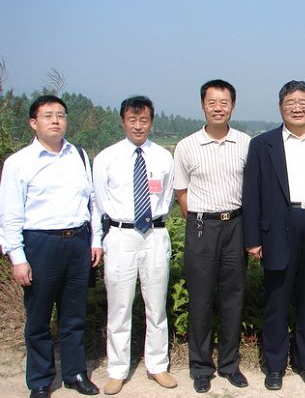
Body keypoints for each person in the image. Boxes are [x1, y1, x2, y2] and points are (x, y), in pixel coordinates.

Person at [242, 80, 305, 391]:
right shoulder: (263, 144)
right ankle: (275, 366)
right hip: (277, 229)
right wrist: (252, 238)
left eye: (303, 102)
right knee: (277, 300)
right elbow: (251, 194)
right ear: (280, 107)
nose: (297, 108)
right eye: (290, 103)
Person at [0, 95, 101, 398]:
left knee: (74, 315)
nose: (56, 120)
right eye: (48, 115)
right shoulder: (19, 163)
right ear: (33, 123)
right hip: (41, 244)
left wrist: (95, 240)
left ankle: (75, 373)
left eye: (61, 114)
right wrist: (18, 257)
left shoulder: (78, 155)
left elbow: (92, 202)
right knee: (39, 318)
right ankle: (40, 380)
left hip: (78, 242)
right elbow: (10, 214)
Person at [92, 96, 176, 395]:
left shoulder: (163, 157)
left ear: (151, 122)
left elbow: (167, 196)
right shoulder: (106, 158)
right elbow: (98, 202)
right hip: (120, 235)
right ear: (123, 121)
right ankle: (117, 369)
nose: (138, 126)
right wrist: (98, 238)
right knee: (119, 305)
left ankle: (158, 365)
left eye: (143, 120)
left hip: (155, 234)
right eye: (132, 120)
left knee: (156, 305)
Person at [173, 80, 250, 394]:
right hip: (202, 227)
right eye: (212, 102)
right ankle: (201, 366)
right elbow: (181, 193)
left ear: (233, 105)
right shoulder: (187, 145)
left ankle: (230, 364)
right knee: (201, 299)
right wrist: (200, 222)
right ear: (202, 105)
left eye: (224, 102)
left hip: (236, 225)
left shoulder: (245, 143)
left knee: (233, 297)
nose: (218, 108)